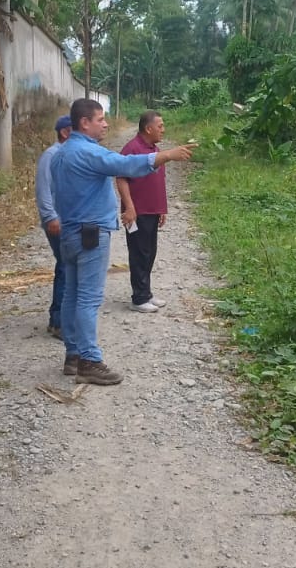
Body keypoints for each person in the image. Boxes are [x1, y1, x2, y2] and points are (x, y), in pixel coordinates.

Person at [52, 98, 196, 385]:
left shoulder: (61, 153)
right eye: (100, 119)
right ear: (84, 123)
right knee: (88, 298)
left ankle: (73, 356)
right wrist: (166, 156)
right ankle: (89, 361)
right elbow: (125, 165)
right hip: (90, 234)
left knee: (71, 295)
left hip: (70, 232)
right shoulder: (88, 152)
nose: (106, 124)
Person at [115, 110, 173, 313]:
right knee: (139, 254)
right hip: (137, 212)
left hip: (152, 210)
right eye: (160, 126)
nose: (163, 130)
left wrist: (162, 208)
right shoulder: (132, 149)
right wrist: (129, 207)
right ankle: (138, 298)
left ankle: (146, 292)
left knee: (150, 253)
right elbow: (121, 178)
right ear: (148, 128)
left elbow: (158, 182)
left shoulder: (155, 151)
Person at [34, 114, 72, 338]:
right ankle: (58, 322)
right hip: (58, 222)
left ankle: (60, 318)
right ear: (65, 132)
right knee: (66, 267)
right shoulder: (52, 155)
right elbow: (43, 190)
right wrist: (50, 217)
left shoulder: (69, 154)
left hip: (69, 221)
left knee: (67, 266)